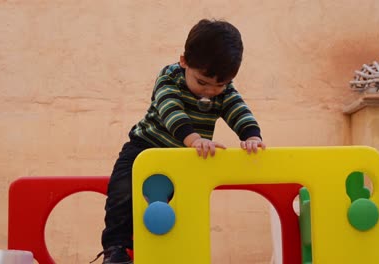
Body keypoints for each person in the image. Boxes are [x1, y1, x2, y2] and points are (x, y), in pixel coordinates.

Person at [91, 18, 266, 264]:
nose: (209, 91)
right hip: (144, 148)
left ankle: (175, 254)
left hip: (183, 162)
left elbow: (237, 109)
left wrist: (251, 135)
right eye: (202, 82)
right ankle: (116, 248)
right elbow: (170, 109)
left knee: (178, 211)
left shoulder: (223, 90)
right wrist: (194, 139)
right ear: (184, 61)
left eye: (219, 85)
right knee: (122, 193)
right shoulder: (169, 77)